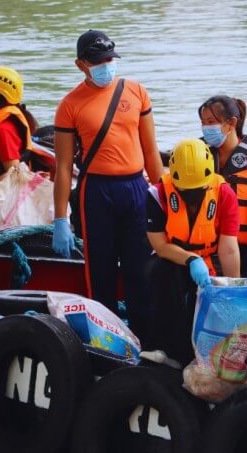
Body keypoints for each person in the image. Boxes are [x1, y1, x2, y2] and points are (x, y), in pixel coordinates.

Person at [52, 30, 163, 340]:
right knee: (99, 272)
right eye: (99, 61)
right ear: (81, 65)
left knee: (138, 270)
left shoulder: (136, 92)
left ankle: (147, 340)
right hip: (95, 192)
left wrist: (165, 195)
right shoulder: (70, 105)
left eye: (111, 59)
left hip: (135, 189)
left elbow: (152, 150)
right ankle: (105, 340)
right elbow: (62, 167)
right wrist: (60, 218)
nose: (107, 66)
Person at [144, 138, 240, 366]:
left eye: (198, 190)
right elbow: (160, 245)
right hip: (172, 257)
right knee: (160, 274)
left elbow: (228, 247)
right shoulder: (157, 195)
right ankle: (165, 348)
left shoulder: (224, 194)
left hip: (210, 259)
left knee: (208, 304)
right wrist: (191, 260)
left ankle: (200, 352)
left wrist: (232, 287)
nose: (192, 196)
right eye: (186, 191)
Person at [198, 95, 247, 279]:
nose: (206, 128)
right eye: (203, 123)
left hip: (245, 252)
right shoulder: (200, 158)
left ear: (231, 123)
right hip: (207, 251)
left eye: (211, 122)